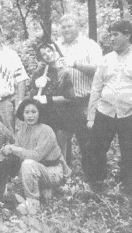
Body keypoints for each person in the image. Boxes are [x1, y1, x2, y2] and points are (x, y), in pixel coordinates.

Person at [87, 20, 132, 194]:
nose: (111, 38)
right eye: (111, 34)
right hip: (105, 112)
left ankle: (127, 190)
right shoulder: (106, 60)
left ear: (127, 35)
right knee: (96, 150)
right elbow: (96, 89)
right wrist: (91, 117)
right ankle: (97, 186)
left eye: (115, 34)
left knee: (129, 153)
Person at [53, 14, 103, 168]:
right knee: (61, 141)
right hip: (62, 102)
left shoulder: (90, 45)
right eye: (63, 27)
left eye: (70, 26)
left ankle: (92, 177)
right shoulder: (56, 47)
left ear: (78, 27)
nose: (66, 29)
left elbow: (100, 71)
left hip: (84, 101)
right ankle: (64, 174)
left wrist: (75, 64)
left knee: (87, 140)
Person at [0, 98, 71, 206]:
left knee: (28, 163)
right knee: (9, 194)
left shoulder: (46, 130)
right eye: (27, 112)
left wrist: (15, 149)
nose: (30, 116)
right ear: (22, 114)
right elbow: (18, 149)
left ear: (39, 113)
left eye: (34, 112)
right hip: (34, 171)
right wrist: (7, 149)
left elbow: (36, 156)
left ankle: (33, 202)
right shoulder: (22, 132)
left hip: (52, 171)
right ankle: (45, 191)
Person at [31, 43, 75, 154]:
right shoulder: (40, 72)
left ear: (54, 51)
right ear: (41, 58)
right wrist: (36, 84)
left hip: (61, 117)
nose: (48, 55)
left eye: (49, 51)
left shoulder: (64, 72)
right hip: (45, 116)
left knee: (60, 148)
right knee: (46, 149)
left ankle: (65, 170)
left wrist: (48, 99)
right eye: (44, 55)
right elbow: (32, 94)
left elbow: (69, 97)